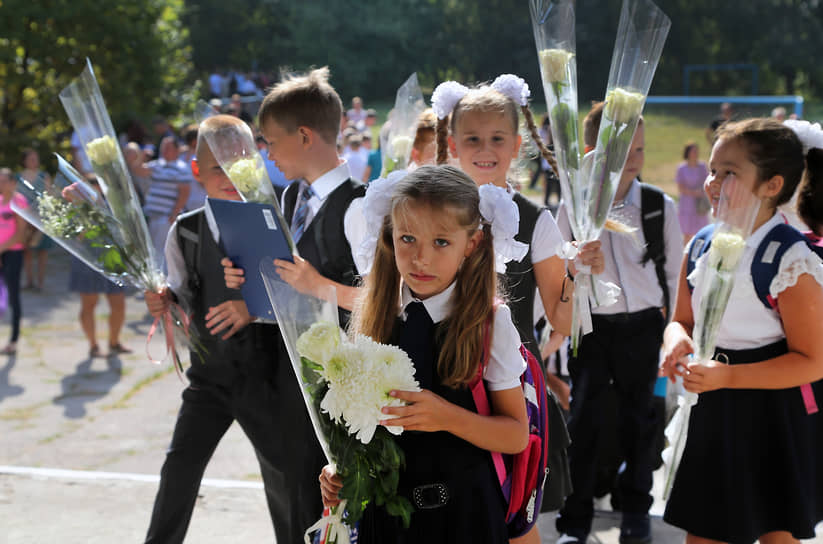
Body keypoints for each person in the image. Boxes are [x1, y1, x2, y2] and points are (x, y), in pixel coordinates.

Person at [432, 75, 605, 544]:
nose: (484, 149)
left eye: (496, 139)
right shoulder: (425, 206)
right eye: (472, 138)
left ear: (516, 144)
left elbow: (564, 321)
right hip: (437, 385)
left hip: (510, 398)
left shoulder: (537, 220)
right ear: (452, 143)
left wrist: (577, 275)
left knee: (515, 529)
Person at [319, 165, 530, 542]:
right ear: (388, 237)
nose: (421, 259)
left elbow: (516, 435)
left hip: (464, 520)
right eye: (407, 239)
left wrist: (446, 416)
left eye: (441, 242)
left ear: (473, 244)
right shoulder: (375, 314)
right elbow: (364, 424)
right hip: (386, 521)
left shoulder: (489, 323)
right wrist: (342, 468)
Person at [142, 114, 321, 544]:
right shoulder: (184, 231)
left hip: (268, 379)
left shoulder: (284, 217)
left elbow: (310, 302)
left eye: (240, 161)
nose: (229, 175)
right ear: (197, 170)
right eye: (217, 166)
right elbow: (185, 297)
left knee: (288, 480)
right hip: (211, 378)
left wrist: (254, 308)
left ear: (259, 161)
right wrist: (162, 302)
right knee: (178, 468)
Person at [661, 118, 823, 544]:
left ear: (772, 185)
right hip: (714, 410)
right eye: (713, 170)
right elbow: (682, 319)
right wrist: (676, 339)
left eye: (729, 173)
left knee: (776, 533)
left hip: (773, 416)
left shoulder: (790, 259)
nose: (712, 182)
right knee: (706, 532)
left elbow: (813, 361)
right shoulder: (699, 243)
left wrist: (729, 375)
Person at [554, 102, 683, 544]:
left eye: (640, 149)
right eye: (623, 147)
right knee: (585, 419)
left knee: (640, 420)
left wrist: (670, 329)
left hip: (643, 326)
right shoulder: (575, 203)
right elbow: (559, 265)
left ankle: (635, 510)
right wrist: (577, 257)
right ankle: (576, 518)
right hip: (590, 327)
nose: (633, 157)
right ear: (593, 152)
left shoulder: (657, 205)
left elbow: (672, 273)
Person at [229, 67, 368, 316]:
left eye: (272, 143)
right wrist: (246, 274)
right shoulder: (292, 195)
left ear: (304, 136)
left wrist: (318, 286)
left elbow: (386, 302)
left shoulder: (359, 206)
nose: (269, 156)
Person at [68, 173, 131, 358]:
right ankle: (93, 345)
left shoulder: (114, 205)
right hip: (87, 260)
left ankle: (114, 342)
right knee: (89, 304)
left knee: (118, 304)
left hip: (113, 258)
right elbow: (74, 237)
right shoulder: (76, 209)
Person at [133, 137, 192, 263]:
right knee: (150, 251)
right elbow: (137, 170)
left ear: (176, 150)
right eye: (163, 147)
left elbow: (184, 193)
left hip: (165, 217)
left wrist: (174, 214)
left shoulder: (182, 168)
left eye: (168, 148)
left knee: (161, 252)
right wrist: (142, 157)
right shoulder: (157, 165)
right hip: (151, 216)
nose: (164, 150)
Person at [17, 148, 54, 291]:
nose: (35, 161)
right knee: (27, 251)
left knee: (42, 252)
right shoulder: (17, 177)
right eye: (31, 159)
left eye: (36, 158)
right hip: (24, 219)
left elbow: (49, 195)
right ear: (24, 161)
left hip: (41, 218)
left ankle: (41, 283)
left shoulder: (44, 176)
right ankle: (29, 281)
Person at [0, 168, 28, 355]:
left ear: (12, 182)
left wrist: (1, 250)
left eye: (4, 181)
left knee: (13, 295)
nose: (1, 184)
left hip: (13, 254)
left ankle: (14, 339)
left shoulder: (19, 201)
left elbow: (20, 233)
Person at [675, 141, 711, 241]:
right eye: (693, 151)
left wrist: (701, 192)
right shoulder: (681, 168)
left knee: (702, 232)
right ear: (688, 152)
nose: (696, 153)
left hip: (700, 204)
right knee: (687, 233)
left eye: (697, 151)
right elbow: (680, 188)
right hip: (686, 204)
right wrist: (694, 193)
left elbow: (707, 182)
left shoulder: (702, 166)